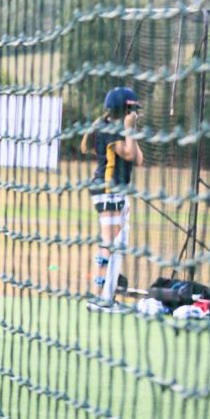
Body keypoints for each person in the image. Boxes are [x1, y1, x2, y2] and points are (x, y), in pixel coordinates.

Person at [84, 86, 144, 306]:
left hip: (114, 191)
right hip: (108, 190)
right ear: (123, 109)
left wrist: (131, 130)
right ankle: (100, 297)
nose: (135, 114)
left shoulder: (119, 129)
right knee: (110, 242)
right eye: (132, 109)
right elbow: (127, 153)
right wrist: (129, 130)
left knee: (117, 241)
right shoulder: (108, 129)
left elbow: (138, 159)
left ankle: (104, 296)